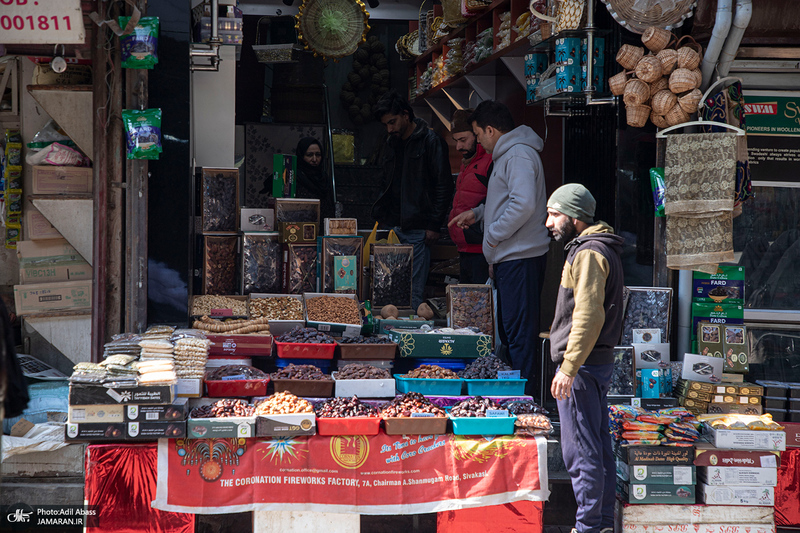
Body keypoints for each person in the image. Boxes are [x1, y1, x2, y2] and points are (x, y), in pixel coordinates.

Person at [448, 100, 549, 382]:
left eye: (478, 134)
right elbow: (507, 201)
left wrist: (491, 237)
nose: (478, 140)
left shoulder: (517, 155)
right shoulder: (509, 156)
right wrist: (479, 213)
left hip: (521, 257)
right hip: (511, 256)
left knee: (519, 336)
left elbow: (523, 205)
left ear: (490, 130)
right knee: (511, 332)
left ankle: (525, 403)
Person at [546, 183, 624, 533]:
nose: (548, 222)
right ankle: (602, 523)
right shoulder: (596, 247)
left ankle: (589, 526)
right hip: (595, 363)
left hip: (584, 365)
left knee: (580, 451)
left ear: (575, 218)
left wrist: (568, 366)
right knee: (597, 445)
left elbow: (588, 315)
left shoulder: (590, 252)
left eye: (554, 214)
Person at [372, 90, 453, 309]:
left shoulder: (431, 141)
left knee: (412, 292)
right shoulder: (392, 143)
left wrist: (434, 224)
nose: (390, 128)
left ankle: (408, 336)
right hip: (392, 224)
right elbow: (385, 181)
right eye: (386, 124)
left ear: (406, 115)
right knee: (388, 288)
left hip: (417, 226)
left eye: (393, 122)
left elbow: (444, 186)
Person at [447, 108, 492, 284]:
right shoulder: (467, 162)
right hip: (464, 248)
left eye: (463, 140)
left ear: (477, 134)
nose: (458, 146)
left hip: (481, 251)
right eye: (456, 141)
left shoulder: (490, 161)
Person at [295, 137, 335, 222]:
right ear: (301, 156)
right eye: (309, 155)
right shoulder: (295, 177)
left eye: (318, 155)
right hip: (300, 228)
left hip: (324, 228)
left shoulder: (324, 178)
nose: (314, 159)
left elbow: (330, 208)